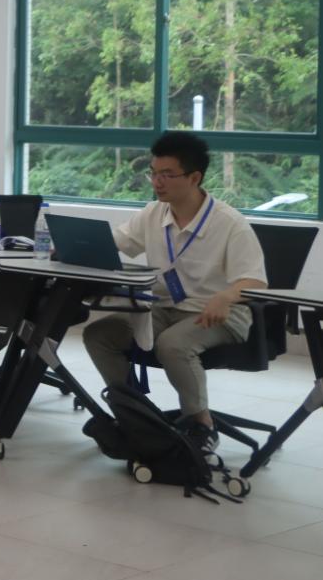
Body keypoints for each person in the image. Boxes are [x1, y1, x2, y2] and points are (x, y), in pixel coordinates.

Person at [81, 131, 267, 455]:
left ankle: (202, 424)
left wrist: (225, 296)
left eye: (167, 174)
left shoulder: (229, 223)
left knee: (173, 345)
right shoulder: (154, 213)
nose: (157, 182)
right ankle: (136, 416)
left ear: (194, 178)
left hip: (218, 313)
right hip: (162, 308)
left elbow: (255, 281)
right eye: (153, 173)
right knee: (99, 334)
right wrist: (71, 247)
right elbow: (116, 243)